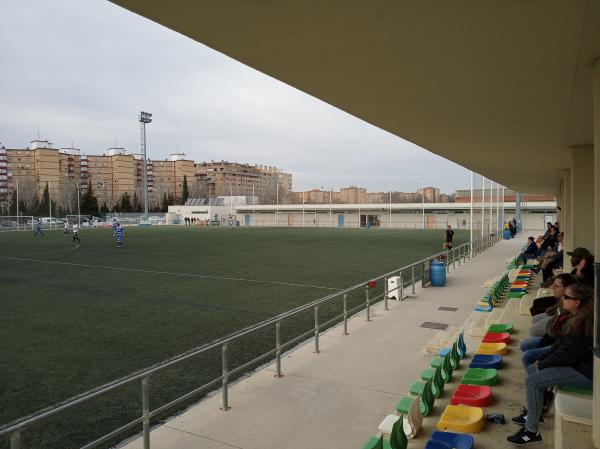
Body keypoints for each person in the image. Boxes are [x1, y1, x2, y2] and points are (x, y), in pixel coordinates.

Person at [507, 283, 594, 446]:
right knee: (533, 366)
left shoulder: (583, 324)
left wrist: (543, 363)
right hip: (577, 364)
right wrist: (542, 361)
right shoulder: (573, 316)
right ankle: (537, 407)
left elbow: (567, 356)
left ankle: (531, 432)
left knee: (532, 381)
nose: (562, 299)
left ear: (577, 302)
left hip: (586, 372)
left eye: (567, 297)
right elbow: (558, 345)